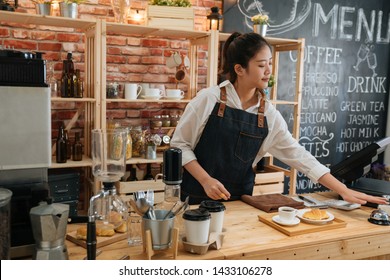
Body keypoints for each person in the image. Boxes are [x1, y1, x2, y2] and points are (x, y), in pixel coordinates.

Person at [170, 32, 389, 206]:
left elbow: (298, 156)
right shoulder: (209, 99)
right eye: (261, 65)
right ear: (239, 69)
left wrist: (343, 190)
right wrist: (206, 180)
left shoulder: (268, 115)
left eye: (270, 64)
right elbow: (180, 144)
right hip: (195, 200)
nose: (269, 71)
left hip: (238, 202)